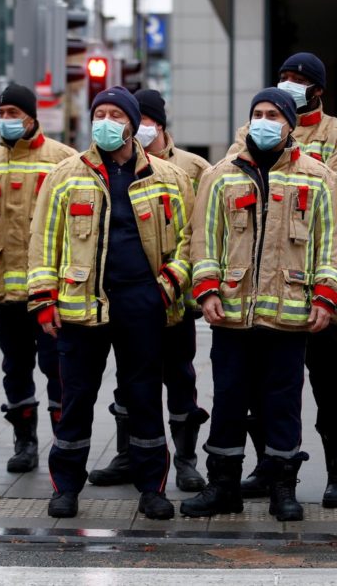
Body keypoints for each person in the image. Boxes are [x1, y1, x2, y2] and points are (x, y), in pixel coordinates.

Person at [180, 88, 337, 522]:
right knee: (229, 403)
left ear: (291, 124)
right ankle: (223, 487)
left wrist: (326, 297)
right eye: (258, 113)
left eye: (274, 114)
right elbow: (203, 241)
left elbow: (334, 245)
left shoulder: (319, 178)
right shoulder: (220, 176)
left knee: (283, 405)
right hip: (232, 315)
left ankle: (282, 489)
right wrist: (208, 290)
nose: (264, 120)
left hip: (289, 318)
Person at [28, 86, 194, 520]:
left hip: (143, 303)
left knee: (143, 399)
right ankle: (66, 487)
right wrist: (44, 300)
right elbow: (44, 242)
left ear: (133, 124)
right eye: (99, 113)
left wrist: (167, 287)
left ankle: (152, 489)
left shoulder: (168, 177)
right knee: (76, 398)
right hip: (81, 306)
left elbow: (191, 242)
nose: (106, 121)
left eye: (116, 115)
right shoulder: (66, 176)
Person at [226, 53, 337, 508]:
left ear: (318, 90)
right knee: (266, 385)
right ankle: (271, 467)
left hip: (315, 279)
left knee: (329, 381)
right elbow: (231, 183)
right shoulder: (251, 130)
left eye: (301, 80)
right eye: (285, 77)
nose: (290, 84)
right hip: (263, 285)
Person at [88, 89, 211, 493]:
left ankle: (187, 460)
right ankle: (129, 455)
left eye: (144, 122)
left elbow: (198, 234)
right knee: (131, 382)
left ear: (157, 124)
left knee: (179, 378)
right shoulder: (110, 167)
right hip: (129, 302)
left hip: (174, 300)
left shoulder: (191, 168)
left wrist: (176, 287)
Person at [0, 84, 77, 473]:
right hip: (5, 291)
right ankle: (24, 442)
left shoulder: (63, 160)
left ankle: (65, 440)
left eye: (14, 112)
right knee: (16, 367)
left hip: (50, 292)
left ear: (31, 116)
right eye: (2, 111)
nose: (7, 119)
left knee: (56, 367)